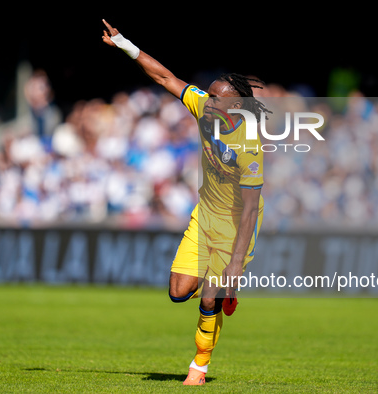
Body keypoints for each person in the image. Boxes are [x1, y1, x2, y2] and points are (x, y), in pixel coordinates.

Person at [101, 19, 266, 385]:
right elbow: (164, 77)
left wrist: (236, 262)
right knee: (179, 291)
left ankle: (199, 366)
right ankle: (220, 293)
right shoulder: (205, 107)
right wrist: (126, 44)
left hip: (236, 224)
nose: (206, 102)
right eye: (207, 95)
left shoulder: (249, 145)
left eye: (215, 98)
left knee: (208, 296)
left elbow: (252, 209)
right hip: (204, 216)